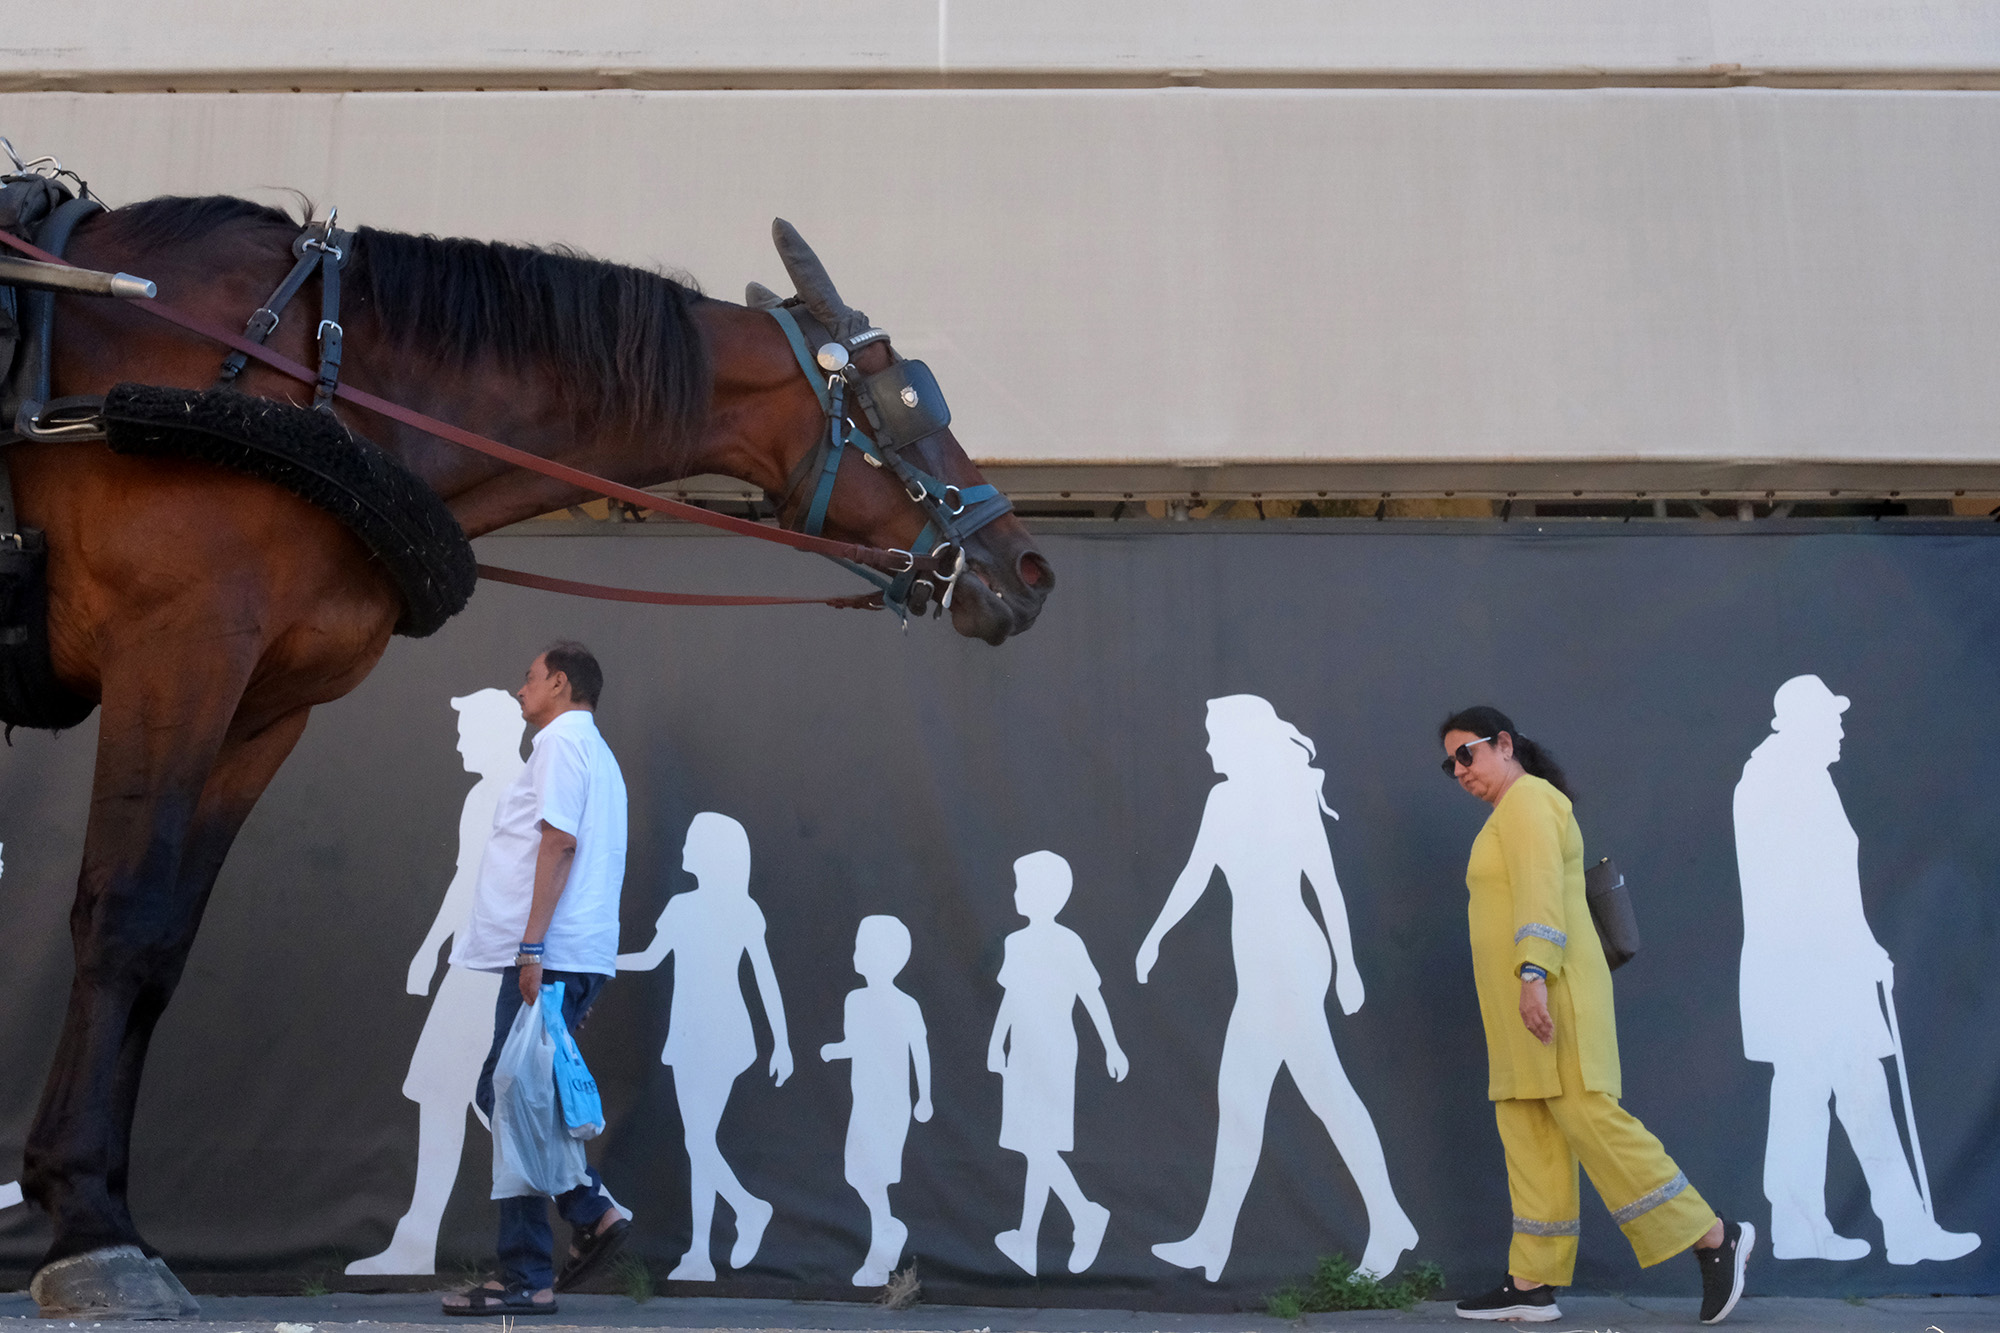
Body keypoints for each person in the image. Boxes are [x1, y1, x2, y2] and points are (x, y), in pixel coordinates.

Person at [1440, 706, 1750, 1325]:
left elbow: (1539, 890)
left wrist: (1533, 974)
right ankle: (1530, 1283)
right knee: (1530, 1128)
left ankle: (1714, 1236)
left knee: (1588, 1117)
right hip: (1521, 1007)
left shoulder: (1530, 801)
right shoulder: (1510, 811)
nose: (1460, 770)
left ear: (1505, 745)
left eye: (1466, 753)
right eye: (1450, 765)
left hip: (1551, 995)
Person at [1137, 694, 1416, 1282]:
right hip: (1259, 966)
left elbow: (1326, 885)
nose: (1207, 746)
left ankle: (1384, 1224)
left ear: (1240, 739)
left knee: (1315, 1094)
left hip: (1293, 961)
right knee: (1253, 1096)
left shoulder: (1289, 795)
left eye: (1214, 735)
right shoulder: (1221, 799)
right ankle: (1216, 1240)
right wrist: (1156, 935)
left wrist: (1348, 967)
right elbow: (1196, 873)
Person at [1732, 675, 1978, 1265]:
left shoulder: (1783, 774)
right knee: (1849, 1094)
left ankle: (1806, 1230)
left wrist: (1861, 948)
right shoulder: (1787, 780)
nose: (1841, 729)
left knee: (1808, 1097)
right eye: (1832, 719)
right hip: (1812, 976)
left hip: (1808, 973)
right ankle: (1901, 1230)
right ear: (1805, 723)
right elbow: (1811, 889)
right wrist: (1862, 950)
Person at [441, 643, 631, 1316]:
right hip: (568, 956)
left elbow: (558, 842)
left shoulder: (559, 744)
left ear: (559, 682)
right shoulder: (594, 753)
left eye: (529, 678)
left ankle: (538, 1261)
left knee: (510, 1100)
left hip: (550, 956)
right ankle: (579, 1220)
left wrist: (531, 948)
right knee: (514, 1097)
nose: (521, 690)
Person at [350, 689, 522, 1277]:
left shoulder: (519, 792)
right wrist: (432, 949)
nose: (458, 742)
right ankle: (416, 1242)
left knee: (497, 1107)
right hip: (472, 967)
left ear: (496, 732)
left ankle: (591, 1207)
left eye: (467, 730)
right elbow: (465, 878)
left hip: (497, 973)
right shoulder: (482, 796)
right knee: (447, 1096)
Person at [617, 811, 791, 1282]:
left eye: (692, 842)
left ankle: (748, 1209)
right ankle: (699, 1253)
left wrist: (782, 1043)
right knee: (700, 1141)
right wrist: (599, 961)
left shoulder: (744, 910)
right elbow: (651, 959)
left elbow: (765, 978)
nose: (684, 849)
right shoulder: (680, 906)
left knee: (698, 1140)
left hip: (725, 1033)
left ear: (712, 853)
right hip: (688, 1033)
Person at [989, 850, 1126, 1278]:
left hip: (1055, 1052)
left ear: (1045, 894)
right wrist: (996, 1042)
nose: (1015, 893)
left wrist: (1112, 1046)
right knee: (1037, 1147)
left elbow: (1091, 997)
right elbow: (1012, 996)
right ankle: (1030, 1238)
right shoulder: (1015, 943)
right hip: (1022, 1052)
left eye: (1022, 886)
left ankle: (1081, 1216)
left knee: (1039, 1145)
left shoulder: (1069, 943)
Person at [820, 914, 932, 1287]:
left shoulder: (907, 1005)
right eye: (857, 946)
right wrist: (836, 1050)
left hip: (892, 1104)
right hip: (864, 1100)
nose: (856, 954)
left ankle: (879, 1252)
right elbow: (857, 1044)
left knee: (875, 1173)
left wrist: (925, 1097)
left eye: (863, 948)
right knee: (857, 1172)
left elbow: (920, 1051)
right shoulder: (855, 1000)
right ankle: (887, 1227)